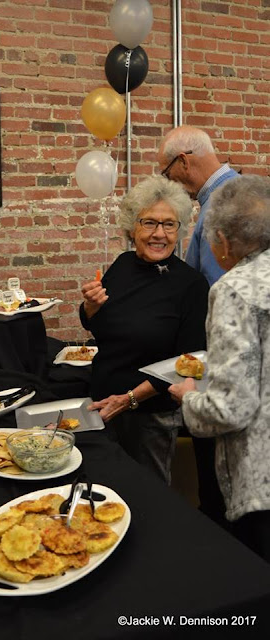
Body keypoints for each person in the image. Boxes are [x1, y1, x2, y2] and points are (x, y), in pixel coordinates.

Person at [80, 175, 209, 485]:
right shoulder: (122, 265)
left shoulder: (191, 285)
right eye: (149, 222)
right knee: (104, 491)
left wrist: (128, 399)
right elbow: (98, 325)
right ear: (132, 227)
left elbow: (188, 362)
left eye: (169, 224)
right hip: (102, 404)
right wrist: (90, 307)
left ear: (179, 230)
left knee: (147, 495)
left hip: (150, 416)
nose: (159, 234)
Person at [169, 175, 270, 562]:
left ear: (224, 242)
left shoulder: (235, 289)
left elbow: (230, 409)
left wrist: (189, 398)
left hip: (261, 487)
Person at [157, 125, 239, 286]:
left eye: (167, 174)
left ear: (183, 161)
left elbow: (216, 287)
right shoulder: (240, 190)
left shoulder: (220, 206)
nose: (169, 182)